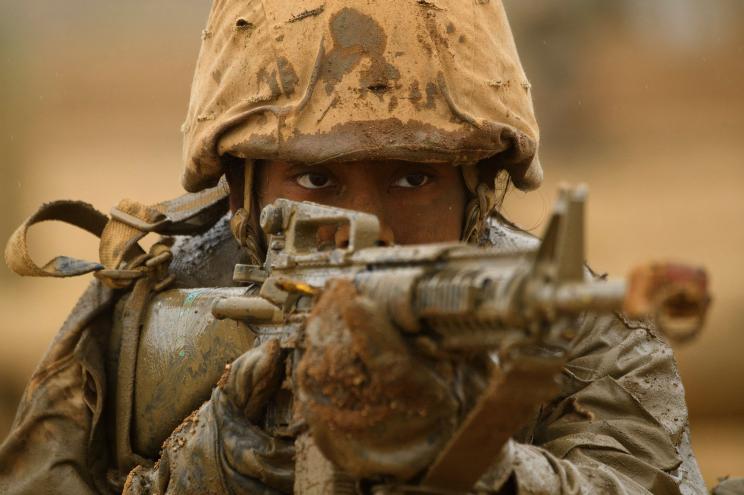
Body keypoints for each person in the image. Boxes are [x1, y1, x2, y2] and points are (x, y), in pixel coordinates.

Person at [0, 1, 707, 493]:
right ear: (242, 190)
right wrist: (215, 463)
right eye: (316, 178)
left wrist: (473, 467)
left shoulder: (576, 325)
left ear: (478, 186)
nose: (367, 223)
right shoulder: (146, 307)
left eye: (412, 176)